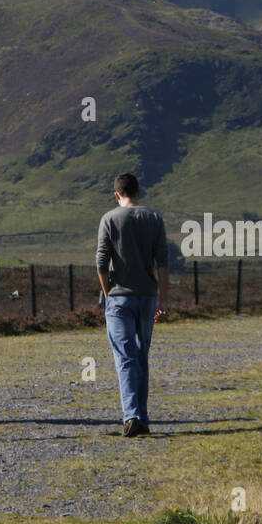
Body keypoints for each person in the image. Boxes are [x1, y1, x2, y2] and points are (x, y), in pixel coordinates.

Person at [96, 172, 168, 438]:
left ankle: (132, 415)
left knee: (125, 357)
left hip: (119, 296)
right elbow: (162, 261)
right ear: (138, 192)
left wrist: (107, 292)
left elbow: (101, 261)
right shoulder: (154, 218)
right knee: (140, 356)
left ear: (117, 194)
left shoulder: (109, 219)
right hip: (148, 295)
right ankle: (143, 417)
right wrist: (165, 298)